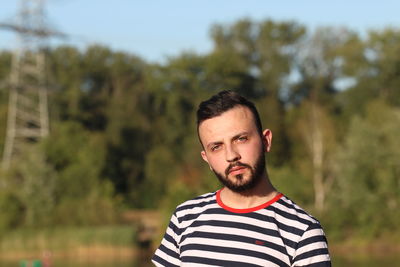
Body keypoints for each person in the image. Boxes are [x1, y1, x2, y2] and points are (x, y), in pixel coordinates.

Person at [152, 90, 331, 267]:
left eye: (241, 139)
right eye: (216, 147)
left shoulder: (302, 231)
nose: (231, 155)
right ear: (206, 158)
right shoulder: (185, 218)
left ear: (265, 141)